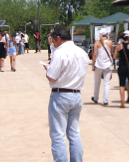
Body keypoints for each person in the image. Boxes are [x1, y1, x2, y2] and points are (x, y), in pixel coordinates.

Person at [43, 25, 89, 162]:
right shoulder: (82, 53)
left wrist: (47, 68)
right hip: (76, 95)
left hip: (61, 95)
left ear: (58, 38)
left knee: (58, 135)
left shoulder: (60, 52)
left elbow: (51, 76)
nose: (53, 44)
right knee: (74, 134)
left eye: (53, 41)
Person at [91, 28, 114, 106]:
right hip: (107, 64)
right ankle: (105, 100)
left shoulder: (97, 43)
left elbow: (94, 55)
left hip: (99, 64)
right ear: (106, 34)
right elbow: (111, 53)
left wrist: (93, 65)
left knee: (97, 82)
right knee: (106, 83)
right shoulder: (110, 42)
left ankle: (96, 98)